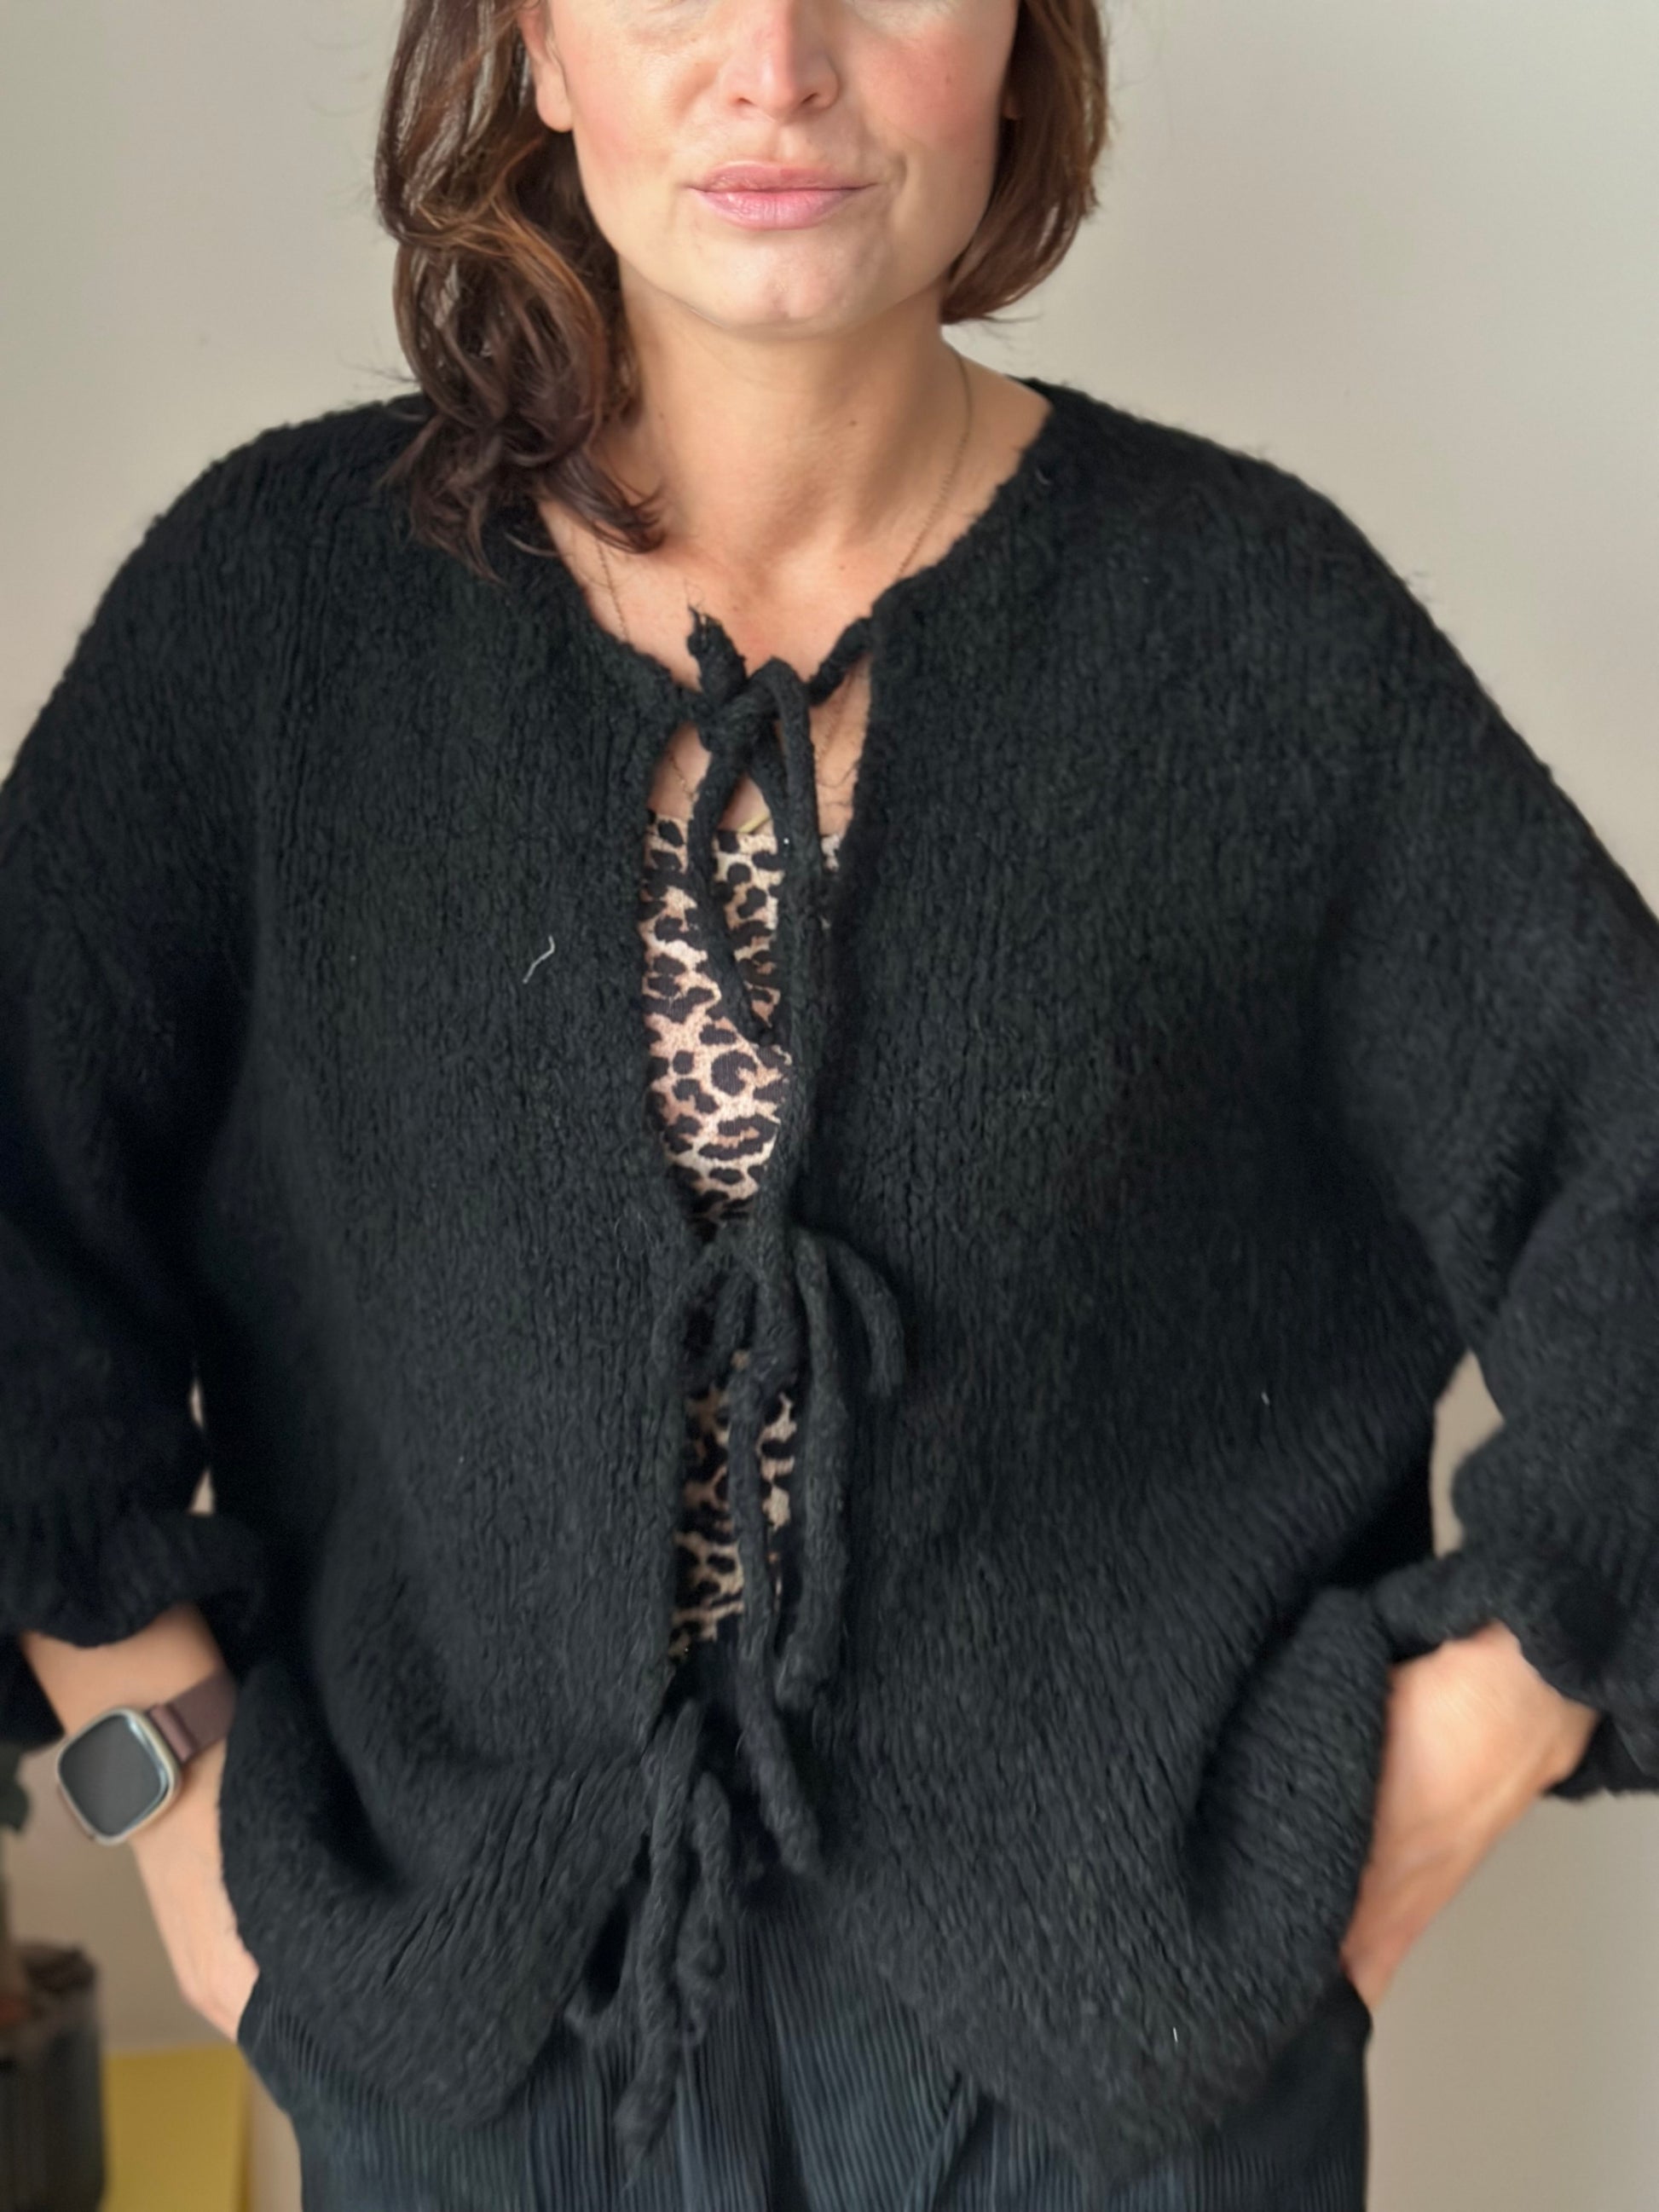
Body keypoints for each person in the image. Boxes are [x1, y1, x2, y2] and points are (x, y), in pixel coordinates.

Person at [6, 1, 1654, 2208]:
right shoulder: (279, 615)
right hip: (462, 2056)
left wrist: (1453, 1760)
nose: (775, 59)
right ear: (537, 46)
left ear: (1019, 41)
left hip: (1113, 2081)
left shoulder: (1250, 631)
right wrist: (169, 1790)